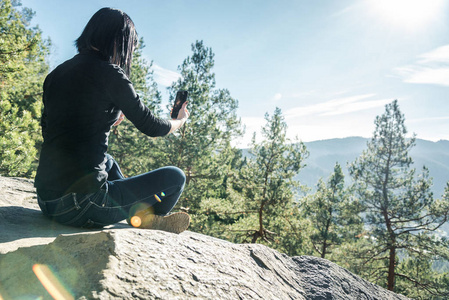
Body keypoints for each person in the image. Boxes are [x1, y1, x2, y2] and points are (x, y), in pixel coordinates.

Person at [34, 7, 190, 233]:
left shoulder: (56, 73)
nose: (132, 52)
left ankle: (135, 212)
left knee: (108, 162)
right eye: (132, 46)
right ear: (119, 41)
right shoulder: (110, 74)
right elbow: (152, 126)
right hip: (82, 206)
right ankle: (147, 218)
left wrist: (106, 118)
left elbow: (53, 130)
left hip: (47, 201)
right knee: (176, 177)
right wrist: (179, 121)